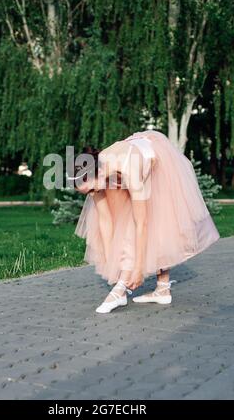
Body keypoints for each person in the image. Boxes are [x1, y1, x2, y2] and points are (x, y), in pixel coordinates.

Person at [67, 130, 220, 314]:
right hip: (126, 162)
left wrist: (138, 268)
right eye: (88, 193)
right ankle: (161, 289)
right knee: (120, 222)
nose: (92, 195)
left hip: (158, 162)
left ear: (97, 173)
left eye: (91, 189)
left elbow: (142, 223)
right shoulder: (98, 170)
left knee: (150, 221)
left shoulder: (128, 167)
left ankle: (119, 291)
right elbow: (105, 220)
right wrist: (111, 263)